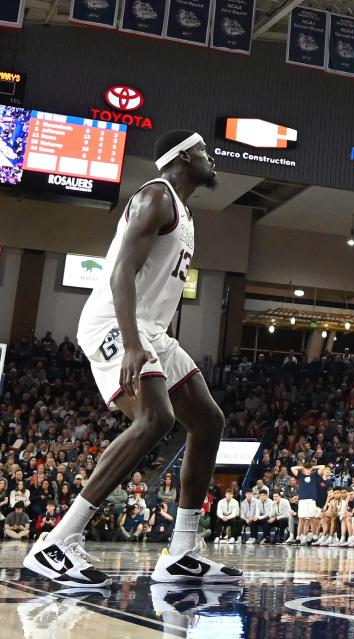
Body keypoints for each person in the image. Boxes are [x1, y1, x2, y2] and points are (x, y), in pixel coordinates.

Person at [22, 130, 239, 588]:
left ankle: (181, 551)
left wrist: (153, 339)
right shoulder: (156, 197)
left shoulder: (185, 210)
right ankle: (57, 541)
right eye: (202, 151)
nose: (210, 157)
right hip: (114, 322)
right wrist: (134, 342)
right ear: (181, 159)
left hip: (151, 329)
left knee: (207, 420)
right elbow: (120, 270)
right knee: (154, 418)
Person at [291, 460, 323, 544]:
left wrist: (312, 467)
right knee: (301, 519)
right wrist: (302, 467)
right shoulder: (300, 475)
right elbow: (292, 468)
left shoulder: (314, 475)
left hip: (312, 500)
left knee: (312, 519)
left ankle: (315, 536)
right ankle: (298, 537)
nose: (307, 470)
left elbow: (322, 467)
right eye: (306, 469)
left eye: (309, 469)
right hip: (302, 500)